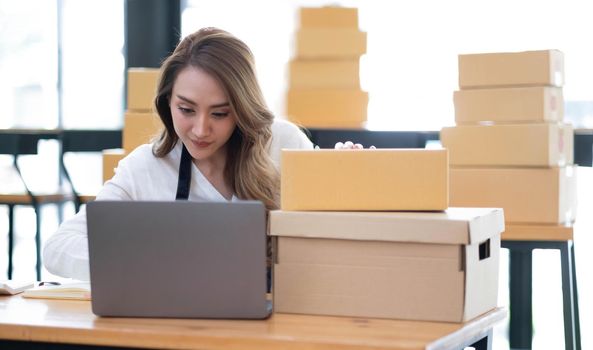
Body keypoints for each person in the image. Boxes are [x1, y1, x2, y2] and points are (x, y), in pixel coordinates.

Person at [43, 27, 313, 281]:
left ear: (243, 109)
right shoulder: (145, 168)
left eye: (219, 113)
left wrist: (343, 178)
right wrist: (150, 259)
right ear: (167, 101)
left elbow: (327, 241)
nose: (200, 130)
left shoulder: (284, 144)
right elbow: (58, 247)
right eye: (186, 109)